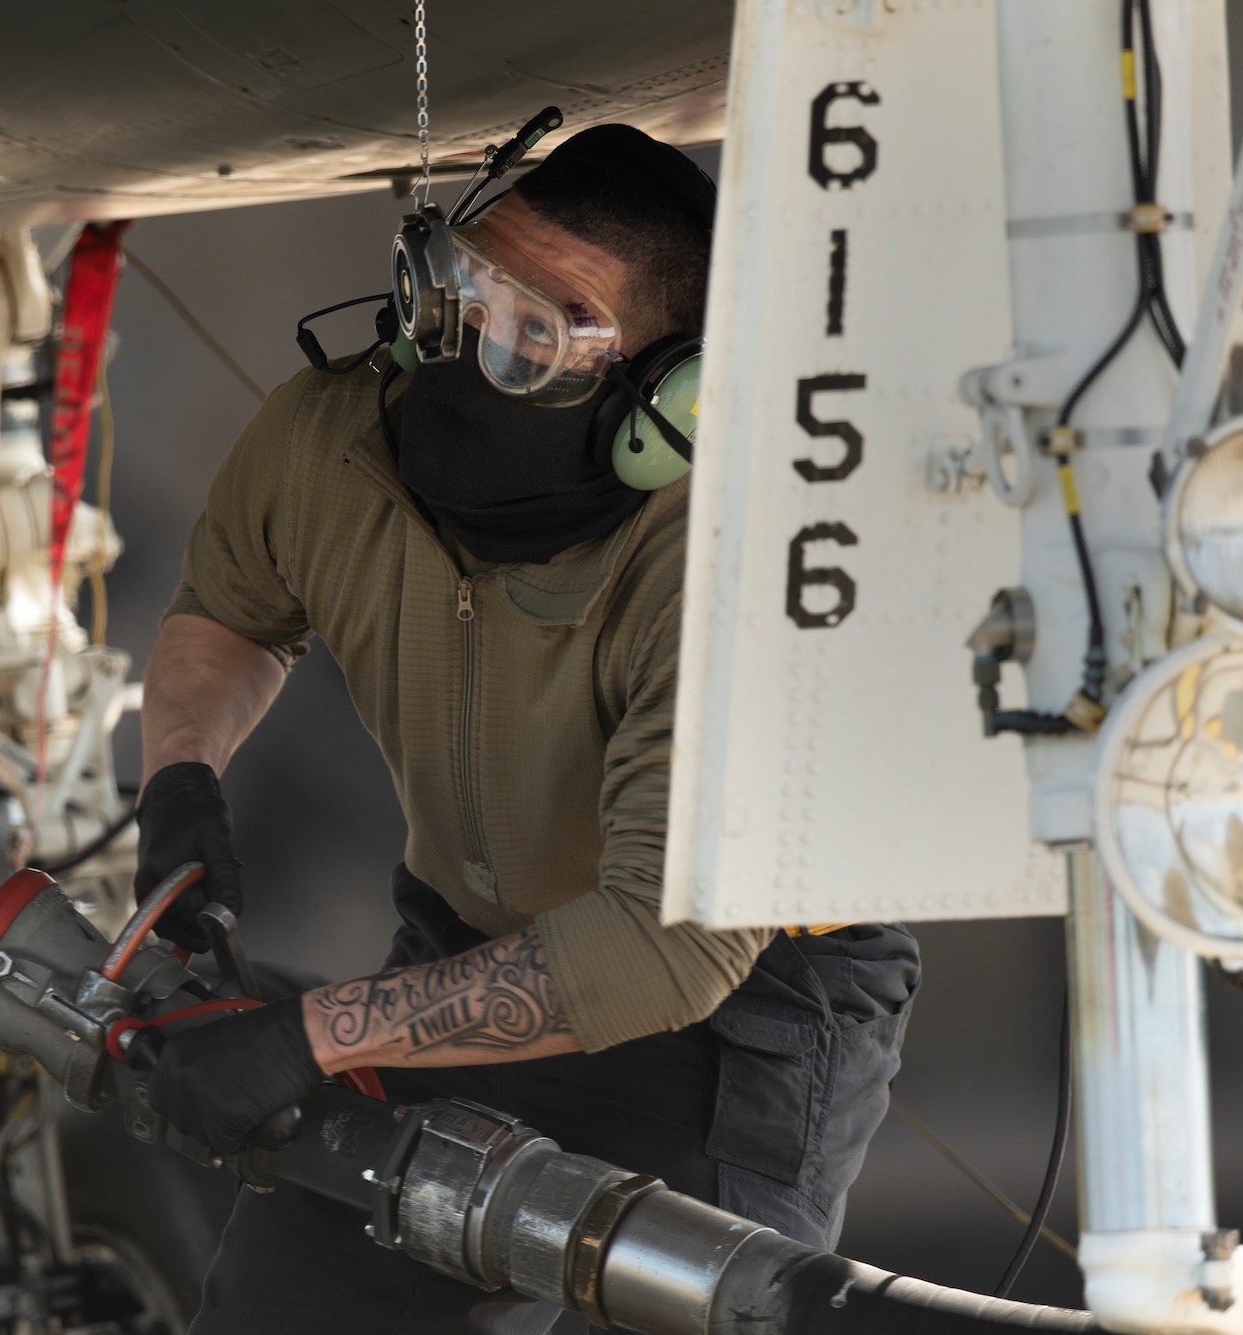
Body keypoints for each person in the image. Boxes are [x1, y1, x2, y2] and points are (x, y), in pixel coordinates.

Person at [133, 123, 921, 1335]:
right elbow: (230, 612)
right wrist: (180, 781)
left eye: (531, 334)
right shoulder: (330, 439)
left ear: (668, 395)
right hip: (466, 954)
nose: (462, 352)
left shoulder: (738, 561)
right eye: (457, 298)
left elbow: (656, 951)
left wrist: (310, 1036)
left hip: (732, 1017)